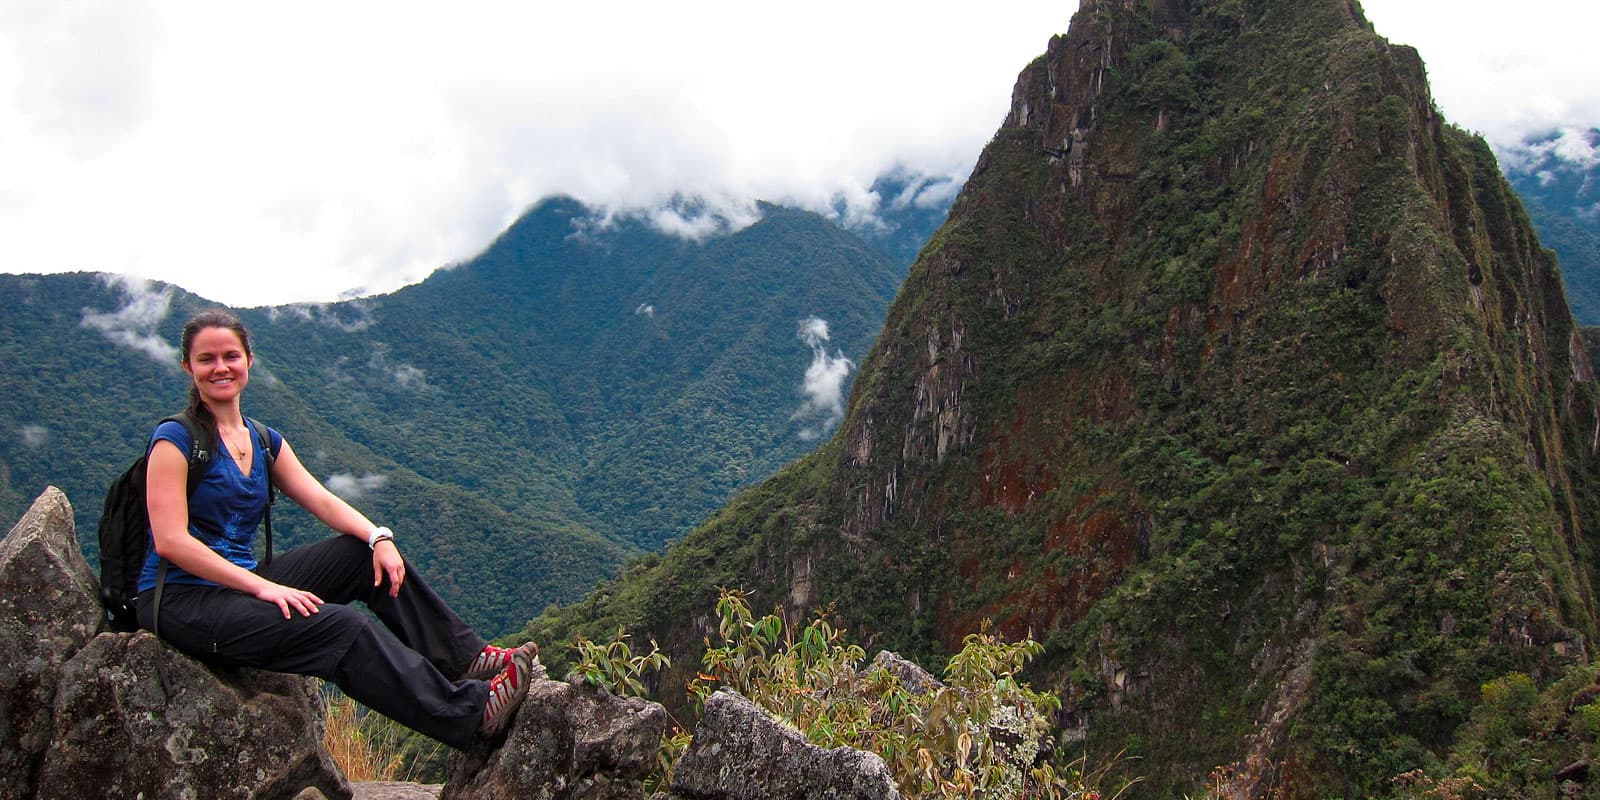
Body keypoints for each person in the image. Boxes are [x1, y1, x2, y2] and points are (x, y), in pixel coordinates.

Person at [137, 308, 535, 749]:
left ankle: (467, 658)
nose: (220, 368)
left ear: (250, 360)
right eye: (206, 359)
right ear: (187, 367)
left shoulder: (263, 441)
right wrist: (262, 587)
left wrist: (379, 537)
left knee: (364, 556)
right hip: (182, 601)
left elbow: (321, 500)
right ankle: (473, 713)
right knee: (340, 628)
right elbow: (171, 540)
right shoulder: (175, 440)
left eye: (230, 355)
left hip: (242, 588)